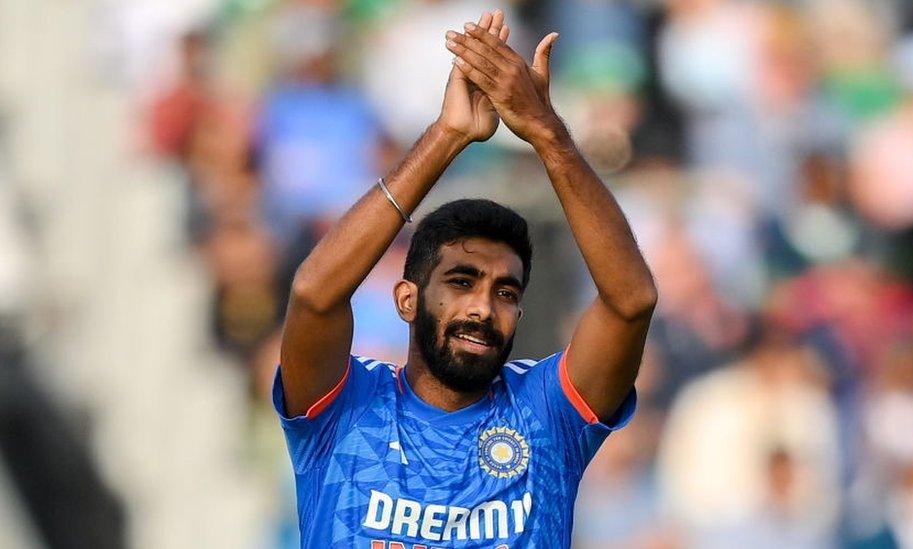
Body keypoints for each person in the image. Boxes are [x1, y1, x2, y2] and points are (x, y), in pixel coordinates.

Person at [273, 9, 657, 547]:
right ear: (407, 299)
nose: (482, 307)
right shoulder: (344, 406)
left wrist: (547, 134)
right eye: (460, 281)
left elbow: (631, 302)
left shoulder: (546, 414)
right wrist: (447, 135)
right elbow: (314, 296)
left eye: (505, 292)